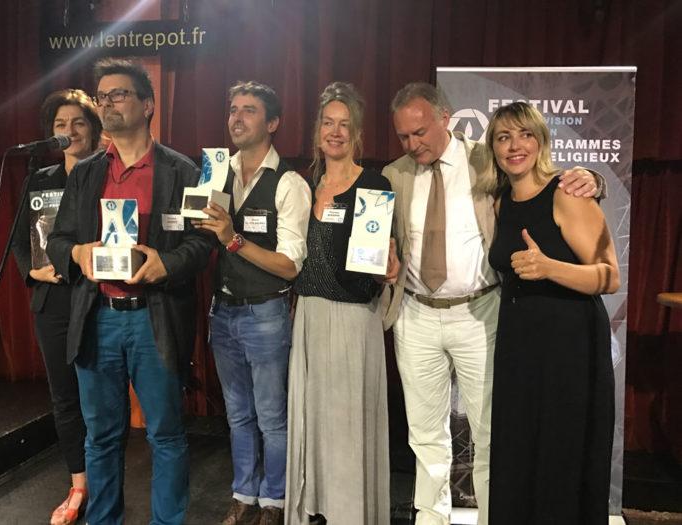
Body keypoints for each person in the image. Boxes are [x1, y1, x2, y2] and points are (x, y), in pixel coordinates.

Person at [380, 82, 602, 525]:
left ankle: (491, 517)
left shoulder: (487, 159)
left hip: (480, 312)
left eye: (420, 132)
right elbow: (386, 237)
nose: (412, 144)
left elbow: (541, 182)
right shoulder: (394, 174)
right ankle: (431, 516)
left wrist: (593, 181)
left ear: (445, 118)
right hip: (416, 313)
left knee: (490, 430)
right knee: (424, 432)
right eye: (403, 136)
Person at [46, 58, 213, 524]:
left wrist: (166, 264)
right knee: (100, 437)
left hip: (153, 318)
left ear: (148, 105)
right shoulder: (85, 173)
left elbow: (202, 243)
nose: (107, 104)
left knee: (166, 434)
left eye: (118, 94)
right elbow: (58, 241)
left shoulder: (183, 170)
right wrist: (77, 253)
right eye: (102, 97)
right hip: (97, 317)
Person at [485, 102, 618, 524]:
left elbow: (610, 276)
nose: (515, 146)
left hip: (569, 347)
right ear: (493, 148)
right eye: (504, 137)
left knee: (562, 451)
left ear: (541, 140)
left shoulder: (566, 193)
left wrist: (549, 268)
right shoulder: (501, 202)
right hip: (519, 344)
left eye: (525, 134)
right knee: (520, 449)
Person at [194, 81, 311, 525]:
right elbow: (195, 233)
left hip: (266, 313)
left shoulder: (289, 183)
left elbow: (290, 266)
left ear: (273, 123)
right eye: (233, 109)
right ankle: (244, 494)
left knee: (271, 418)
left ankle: (274, 502)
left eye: (249, 110)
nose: (236, 118)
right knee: (238, 414)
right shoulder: (215, 172)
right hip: (222, 311)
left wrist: (233, 239)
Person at [285, 82, 392, 525]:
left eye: (344, 125)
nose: (335, 132)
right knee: (314, 420)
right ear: (317, 132)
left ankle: (350, 513)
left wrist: (388, 263)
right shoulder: (304, 185)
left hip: (352, 319)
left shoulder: (374, 185)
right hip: (309, 316)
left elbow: (376, 261)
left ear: (358, 134)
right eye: (328, 123)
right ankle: (316, 508)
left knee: (348, 422)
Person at [11, 88, 101, 525]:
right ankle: (78, 485)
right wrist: (34, 272)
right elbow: (19, 241)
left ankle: (105, 482)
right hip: (52, 301)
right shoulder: (39, 179)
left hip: (97, 297)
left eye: (78, 122)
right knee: (65, 398)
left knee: (98, 399)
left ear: (94, 128)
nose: (70, 131)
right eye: (61, 124)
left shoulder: (108, 175)